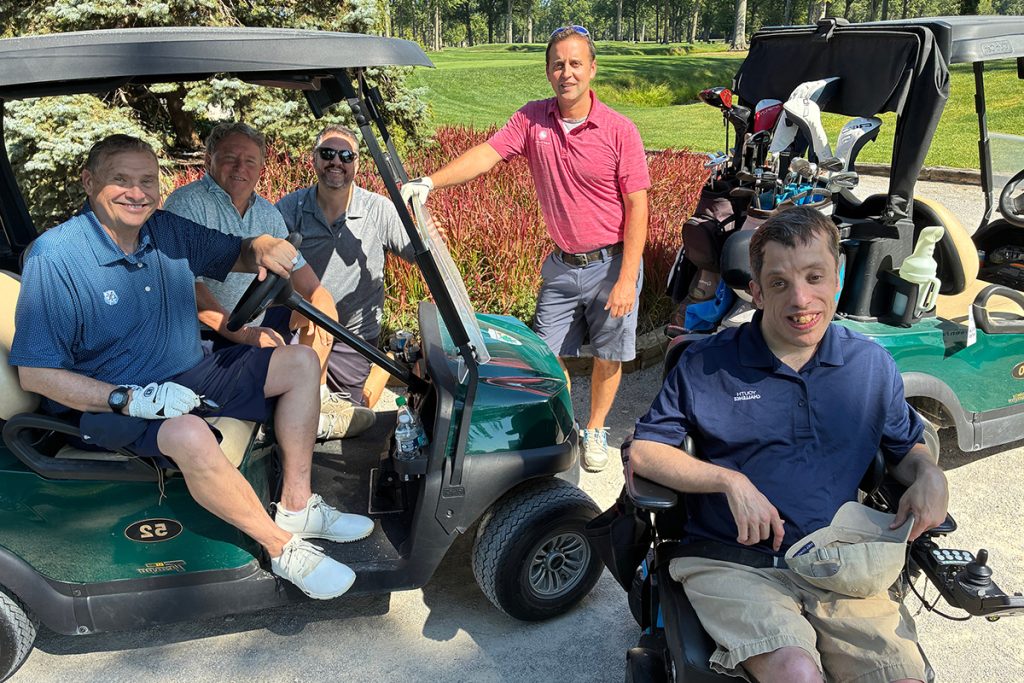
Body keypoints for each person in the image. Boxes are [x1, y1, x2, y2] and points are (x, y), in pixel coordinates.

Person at [10, 135, 373, 600]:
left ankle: (297, 505)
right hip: (109, 399)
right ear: (89, 182)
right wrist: (128, 399)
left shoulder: (165, 229)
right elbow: (35, 376)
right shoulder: (56, 258)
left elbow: (235, 252)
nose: (136, 193)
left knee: (300, 361)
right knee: (189, 433)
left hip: (187, 372)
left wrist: (260, 244)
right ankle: (281, 547)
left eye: (146, 181)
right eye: (120, 180)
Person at [630, 207, 950, 683]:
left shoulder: (870, 367)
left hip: (836, 558)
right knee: (797, 673)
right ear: (755, 292)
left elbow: (907, 448)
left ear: (837, 279)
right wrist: (729, 481)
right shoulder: (705, 363)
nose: (801, 298)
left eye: (814, 277)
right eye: (779, 283)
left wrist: (930, 475)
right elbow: (644, 451)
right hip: (732, 561)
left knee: (901, 676)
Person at [400, 25, 650, 472]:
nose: (566, 73)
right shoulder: (533, 119)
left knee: (609, 354)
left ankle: (594, 429)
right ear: (548, 71)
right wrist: (428, 182)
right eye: (558, 64)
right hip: (562, 265)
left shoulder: (619, 131)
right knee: (541, 354)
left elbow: (638, 206)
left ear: (592, 69)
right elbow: (487, 153)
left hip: (612, 263)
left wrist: (627, 278)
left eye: (576, 63)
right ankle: (567, 424)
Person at [164, 122, 374, 440]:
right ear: (209, 159)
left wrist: (321, 302)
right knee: (292, 358)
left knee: (312, 313)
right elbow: (188, 289)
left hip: (246, 324)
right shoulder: (188, 204)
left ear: (262, 168)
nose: (240, 168)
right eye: (230, 157)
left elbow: (308, 283)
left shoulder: (266, 214)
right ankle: (304, 419)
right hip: (202, 340)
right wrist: (246, 335)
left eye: (250, 160)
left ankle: (317, 399)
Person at [273, 124, 415, 406]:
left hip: (354, 337)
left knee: (348, 414)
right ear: (314, 159)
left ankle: (379, 371)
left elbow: (419, 253)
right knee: (296, 408)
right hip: (306, 330)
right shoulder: (291, 209)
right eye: (327, 153)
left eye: (346, 156)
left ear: (357, 164)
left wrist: (427, 233)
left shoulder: (377, 209)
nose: (336, 161)